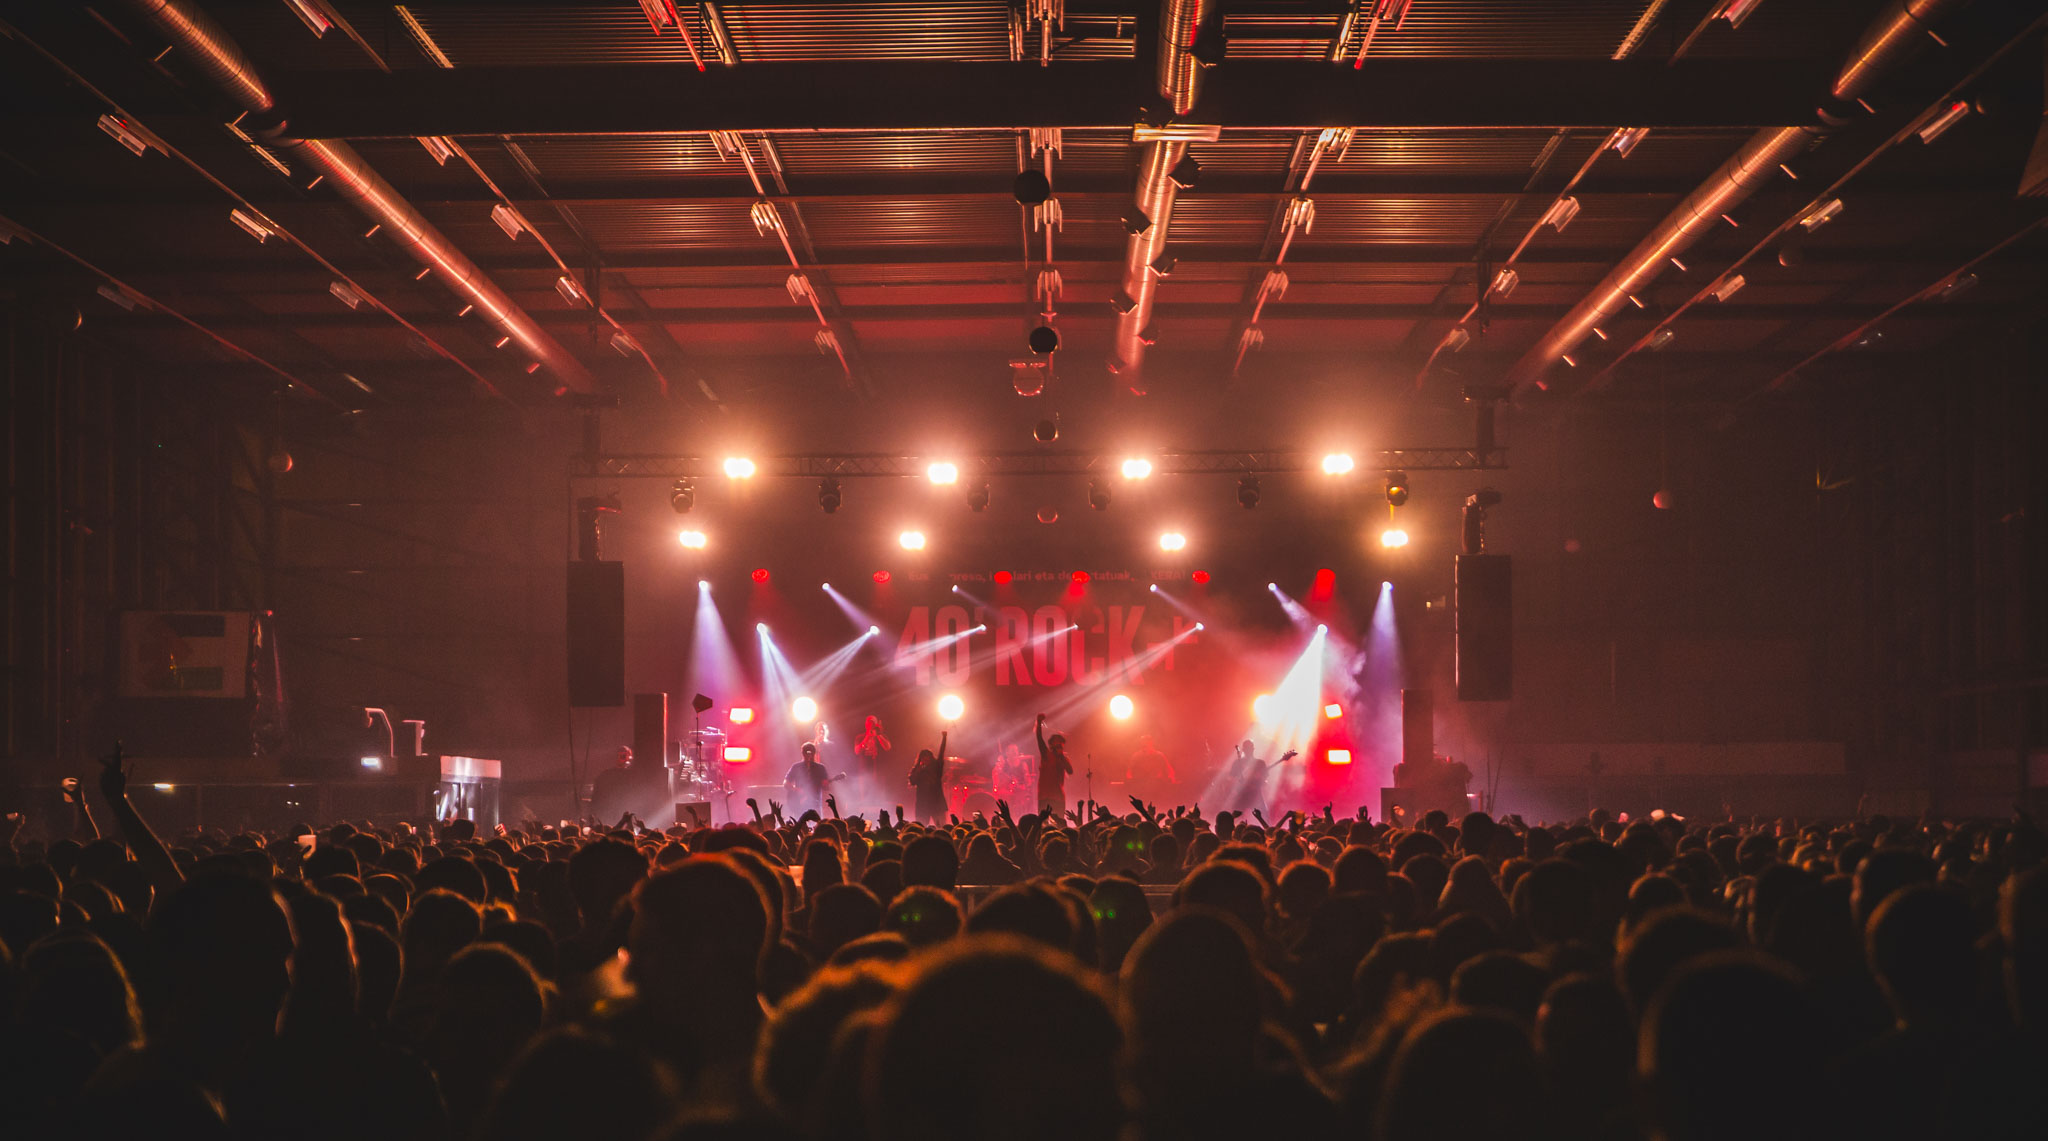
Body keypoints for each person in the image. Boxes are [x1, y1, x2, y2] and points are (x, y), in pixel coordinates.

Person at [908, 729, 949, 825]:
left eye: (927, 758)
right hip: (922, 805)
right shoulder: (918, 770)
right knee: (920, 827)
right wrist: (918, 769)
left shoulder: (936, 768)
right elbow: (912, 781)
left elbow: (941, 754)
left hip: (936, 803)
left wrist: (944, 738)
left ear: (931, 758)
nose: (925, 760)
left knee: (941, 827)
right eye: (923, 758)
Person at [1035, 713, 1073, 816]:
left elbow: (1070, 771)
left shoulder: (1063, 758)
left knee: (1060, 821)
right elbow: (1039, 738)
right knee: (1043, 822)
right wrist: (1039, 722)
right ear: (1051, 745)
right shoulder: (1046, 754)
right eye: (1057, 743)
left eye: (1061, 744)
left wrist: (1061, 756)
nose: (1059, 746)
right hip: (1044, 796)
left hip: (1058, 797)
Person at [783, 742, 832, 818]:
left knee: (816, 823)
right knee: (799, 821)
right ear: (803, 754)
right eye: (806, 753)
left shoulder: (821, 768)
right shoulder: (796, 767)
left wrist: (826, 784)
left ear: (814, 754)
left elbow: (826, 787)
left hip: (815, 804)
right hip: (800, 804)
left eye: (810, 753)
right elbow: (786, 782)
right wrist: (796, 789)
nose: (809, 756)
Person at [852, 716, 891, 784]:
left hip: (879, 771)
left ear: (876, 725)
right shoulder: (860, 737)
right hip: (864, 772)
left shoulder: (881, 736)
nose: (870, 725)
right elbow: (857, 751)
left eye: (872, 723)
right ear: (866, 724)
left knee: (879, 788)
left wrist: (878, 734)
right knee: (865, 789)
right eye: (869, 723)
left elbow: (888, 747)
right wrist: (867, 737)